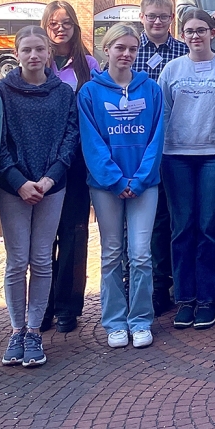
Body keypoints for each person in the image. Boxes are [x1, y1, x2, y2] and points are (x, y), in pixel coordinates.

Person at [0, 26, 79, 366]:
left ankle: (33, 330)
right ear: (16, 52)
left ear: (48, 53)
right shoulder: (1, 92)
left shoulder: (62, 93)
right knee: (17, 262)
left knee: (42, 260)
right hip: (15, 188)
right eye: (26, 49)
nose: (33, 55)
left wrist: (48, 179)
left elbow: (69, 138)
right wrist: (19, 181)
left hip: (51, 187)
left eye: (39, 49)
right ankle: (16, 330)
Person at [79, 23, 165, 350]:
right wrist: (115, 179)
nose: (126, 54)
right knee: (112, 253)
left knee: (141, 255)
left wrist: (139, 179)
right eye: (120, 48)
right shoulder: (90, 92)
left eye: (132, 49)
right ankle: (115, 321)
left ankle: (140, 319)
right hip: (106, 186)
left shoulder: (151, 89)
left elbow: (157, 138)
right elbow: (93, 142)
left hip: (145, 184)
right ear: (107, 49)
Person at [158, 9, 215, 330]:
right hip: (176, 156)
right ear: (183, 34)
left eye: (201, 30)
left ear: (212, 33)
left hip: (213, 156)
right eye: (189, 31)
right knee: (182, 228)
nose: (195, 36)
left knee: (209, 225)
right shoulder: (172, 69)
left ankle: (207, 299)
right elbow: (162, 115)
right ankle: (185, 299)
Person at [39, 1, 99, 334]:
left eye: (67, 23)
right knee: (44, 237)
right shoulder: (36, 60)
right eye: (53, 23)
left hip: (76, 163)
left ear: (75, 27)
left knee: (74, 234)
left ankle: (68, 307)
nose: (60, 28)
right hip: (42, 163)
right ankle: (43, 305)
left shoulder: (88, 65)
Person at [132, 0, 189, 316]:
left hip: (174, 148)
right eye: (151, 16)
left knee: (171, 218)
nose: (157, 21)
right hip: (136, 149)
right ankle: (148, 286)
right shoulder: (129, 48)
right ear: (142, 17)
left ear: (172, 19)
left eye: (163, 16)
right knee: (145, 222)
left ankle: (170, 285)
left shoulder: (183, 51)